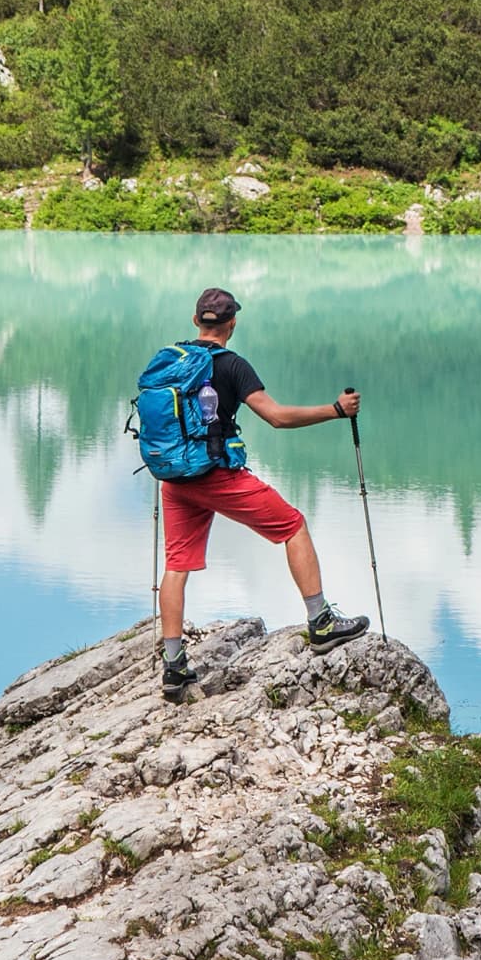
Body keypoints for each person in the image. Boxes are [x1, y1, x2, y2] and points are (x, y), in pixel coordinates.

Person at [155, 285, 370, 698]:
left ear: (195, 321)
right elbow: (275, 417)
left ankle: (174, 665)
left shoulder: (170, 360)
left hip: (174, 477)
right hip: (215, 475)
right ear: (232, 323)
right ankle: (321, 622)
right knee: (293, 526)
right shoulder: (232, 365)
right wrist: (336, 411)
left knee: (176, 564)